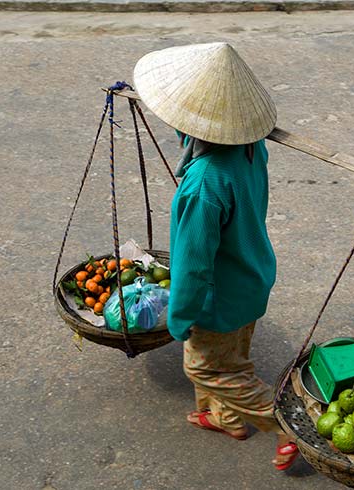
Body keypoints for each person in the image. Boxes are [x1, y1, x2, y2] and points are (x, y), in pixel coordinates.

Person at [133, 42, 299, 471]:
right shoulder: (250, 149)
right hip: (253, 277)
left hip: (217, 295)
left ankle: (286, 424)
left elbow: (192, 264)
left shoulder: (203, 184)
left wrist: (180, 317)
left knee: (207, 369)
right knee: (233, 356)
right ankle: (226, 418)